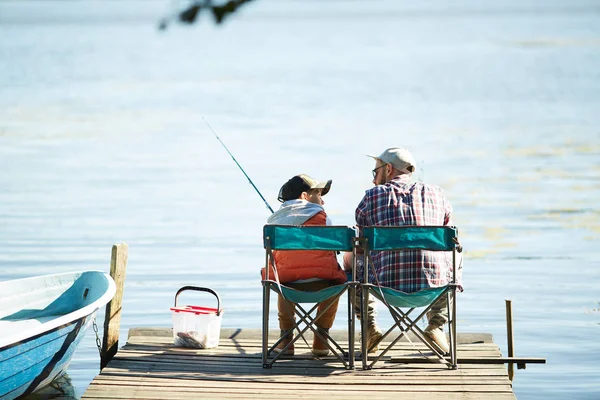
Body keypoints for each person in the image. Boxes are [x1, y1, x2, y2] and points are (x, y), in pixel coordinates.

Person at [348, 147, 462, 354]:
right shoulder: (437, 194)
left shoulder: (371, 197)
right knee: (455, 253)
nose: (374, 180)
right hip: (432, 289)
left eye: (376, 172)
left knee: (352, 259)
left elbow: (360, 244)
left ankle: (369, 327)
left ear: (388, 169)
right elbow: (450, 236)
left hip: (384, 289)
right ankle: (437, 325)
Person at [263, 174, 348, 357]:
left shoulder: (273, 223)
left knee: (281, 278)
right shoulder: (323, 219)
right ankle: (321, 340)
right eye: (318, 194)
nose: (322, 201)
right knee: (336, 279)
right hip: (323, 284)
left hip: (287, 286)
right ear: (304, 196)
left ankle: (286, 340)